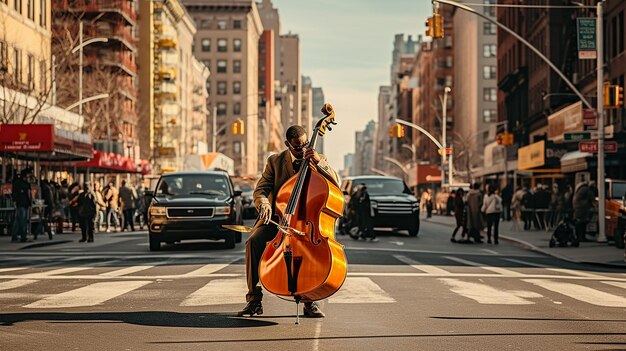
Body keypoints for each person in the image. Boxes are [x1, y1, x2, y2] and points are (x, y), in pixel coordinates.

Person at [237, 125, 339, 318]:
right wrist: (264, 204)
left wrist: (318, 163)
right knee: (253, 242)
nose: (303, 150)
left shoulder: (318, 159)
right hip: (279, 219)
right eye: (298, 147)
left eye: (306, 144)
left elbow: (336, 183)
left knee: (311, 255)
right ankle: (254, 301)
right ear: (288, 145)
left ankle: (310, 301)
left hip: (306, 223)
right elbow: (261, 189)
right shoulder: (275, 161)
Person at [11, 168, 33, 242]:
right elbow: (28, 194)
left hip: (22, 203)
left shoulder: (21, 183)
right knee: (22, 221)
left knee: (17, 220)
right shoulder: (22, 183)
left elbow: (29, 194)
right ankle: (23, 236)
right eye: (28, 175)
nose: (29, 177)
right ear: (25, 175)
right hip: (22, 204)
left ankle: (14, 236)